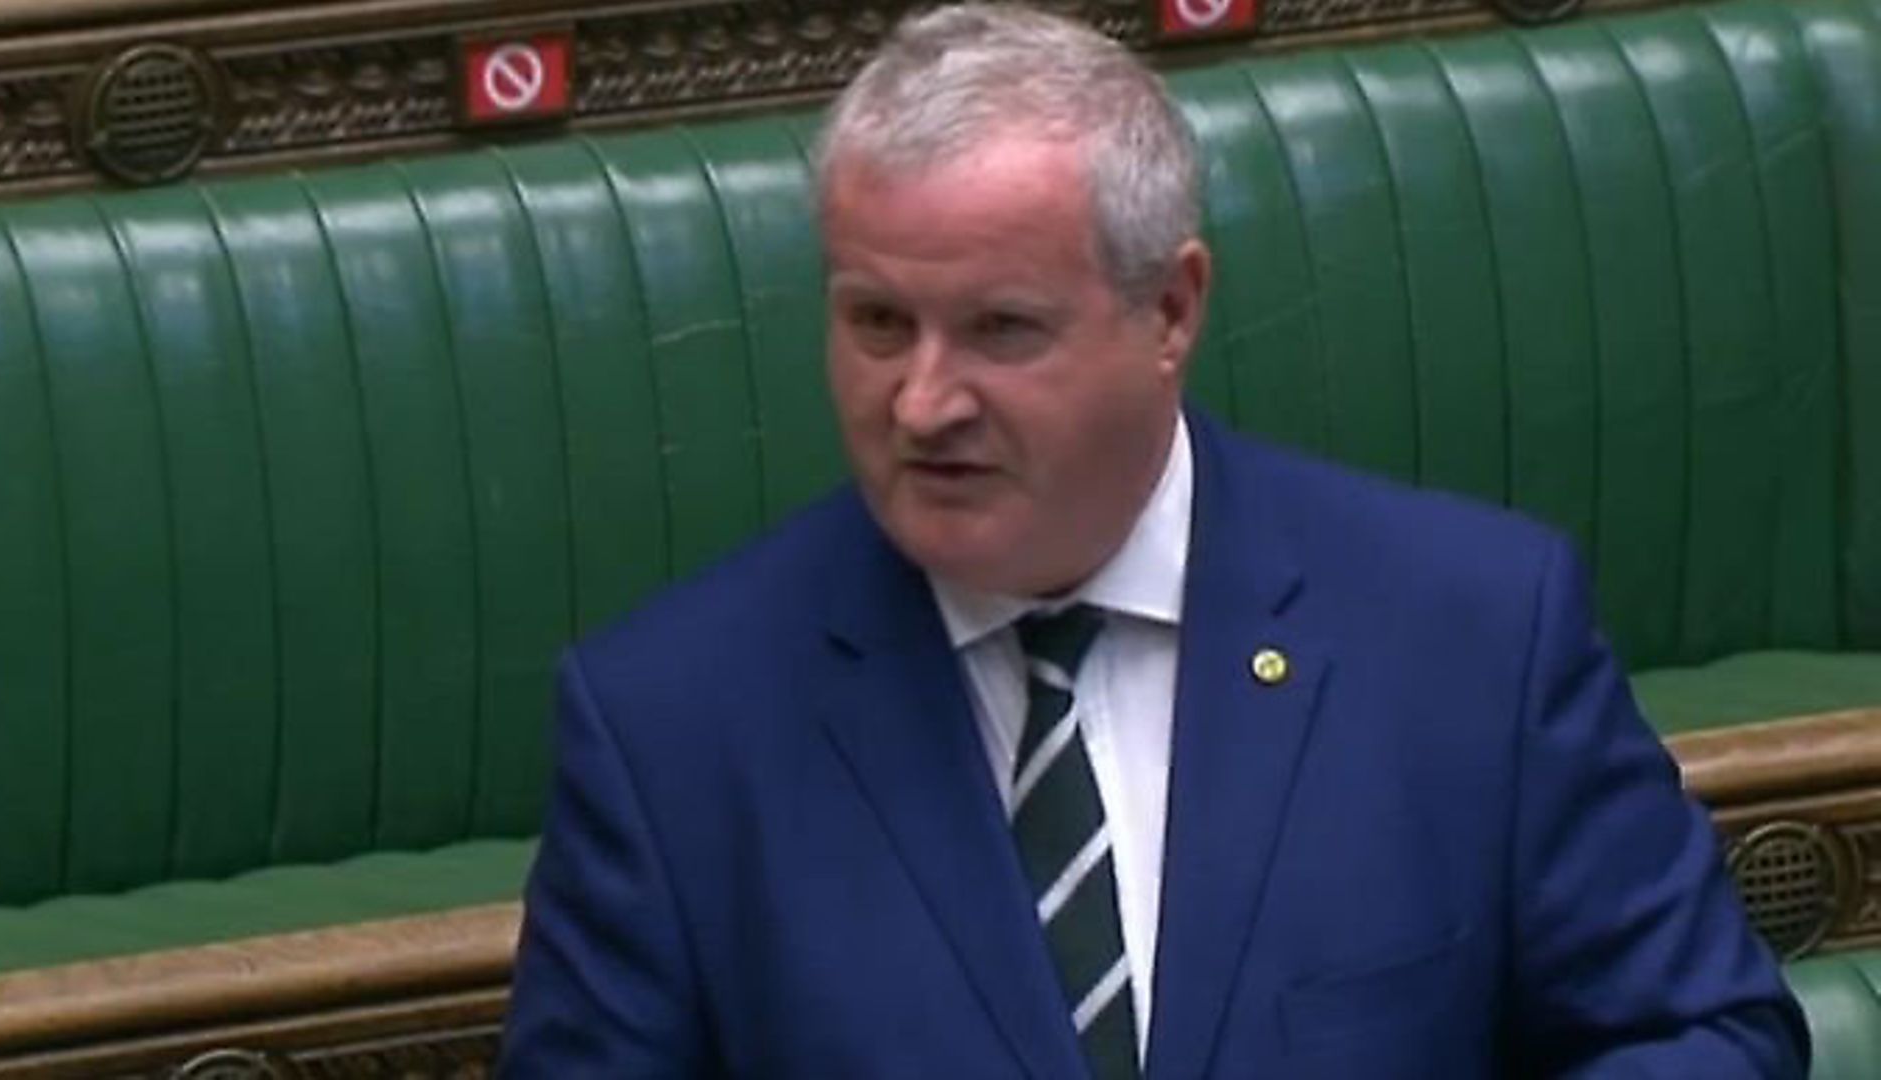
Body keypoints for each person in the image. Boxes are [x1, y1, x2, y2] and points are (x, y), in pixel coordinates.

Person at [499, 5, 1807, 1076]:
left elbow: (1704, 1036)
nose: (922, 402)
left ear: (1170, 307)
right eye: (878, 323)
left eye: (1002, 329)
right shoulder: (673, 730)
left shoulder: (1469, 632)